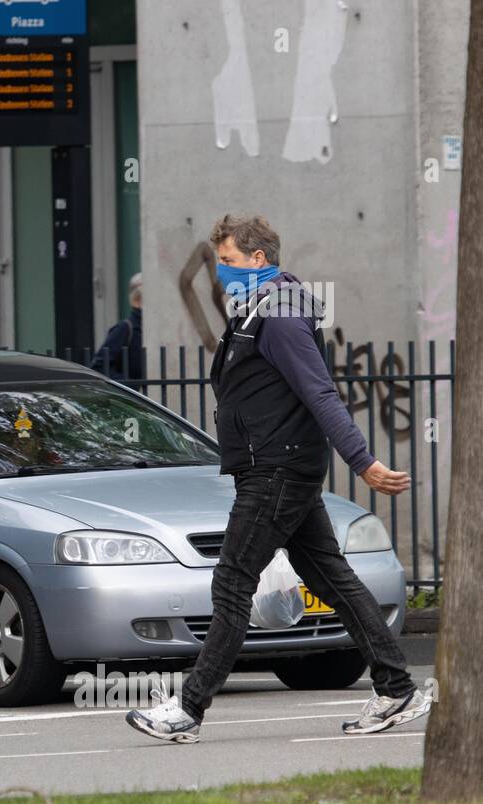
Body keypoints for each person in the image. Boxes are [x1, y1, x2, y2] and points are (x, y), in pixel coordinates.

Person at [126, 214, 431, 743]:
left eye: (229, 262)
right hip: (275, 467)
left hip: (278, 470)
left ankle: (188, 710)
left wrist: (363, 461)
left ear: (259, 259)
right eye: (219, 263)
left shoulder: (281, 315)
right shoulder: (257, 311)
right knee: (330, 577)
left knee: (233, 579)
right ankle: (396, 685)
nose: (221, 273)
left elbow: (319, 392)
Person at [90, 273, 144, 381]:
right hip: (133, 396)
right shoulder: (125, 329)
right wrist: (132, 386)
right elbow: (99, 367)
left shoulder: (156, 330)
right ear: (137, 300)